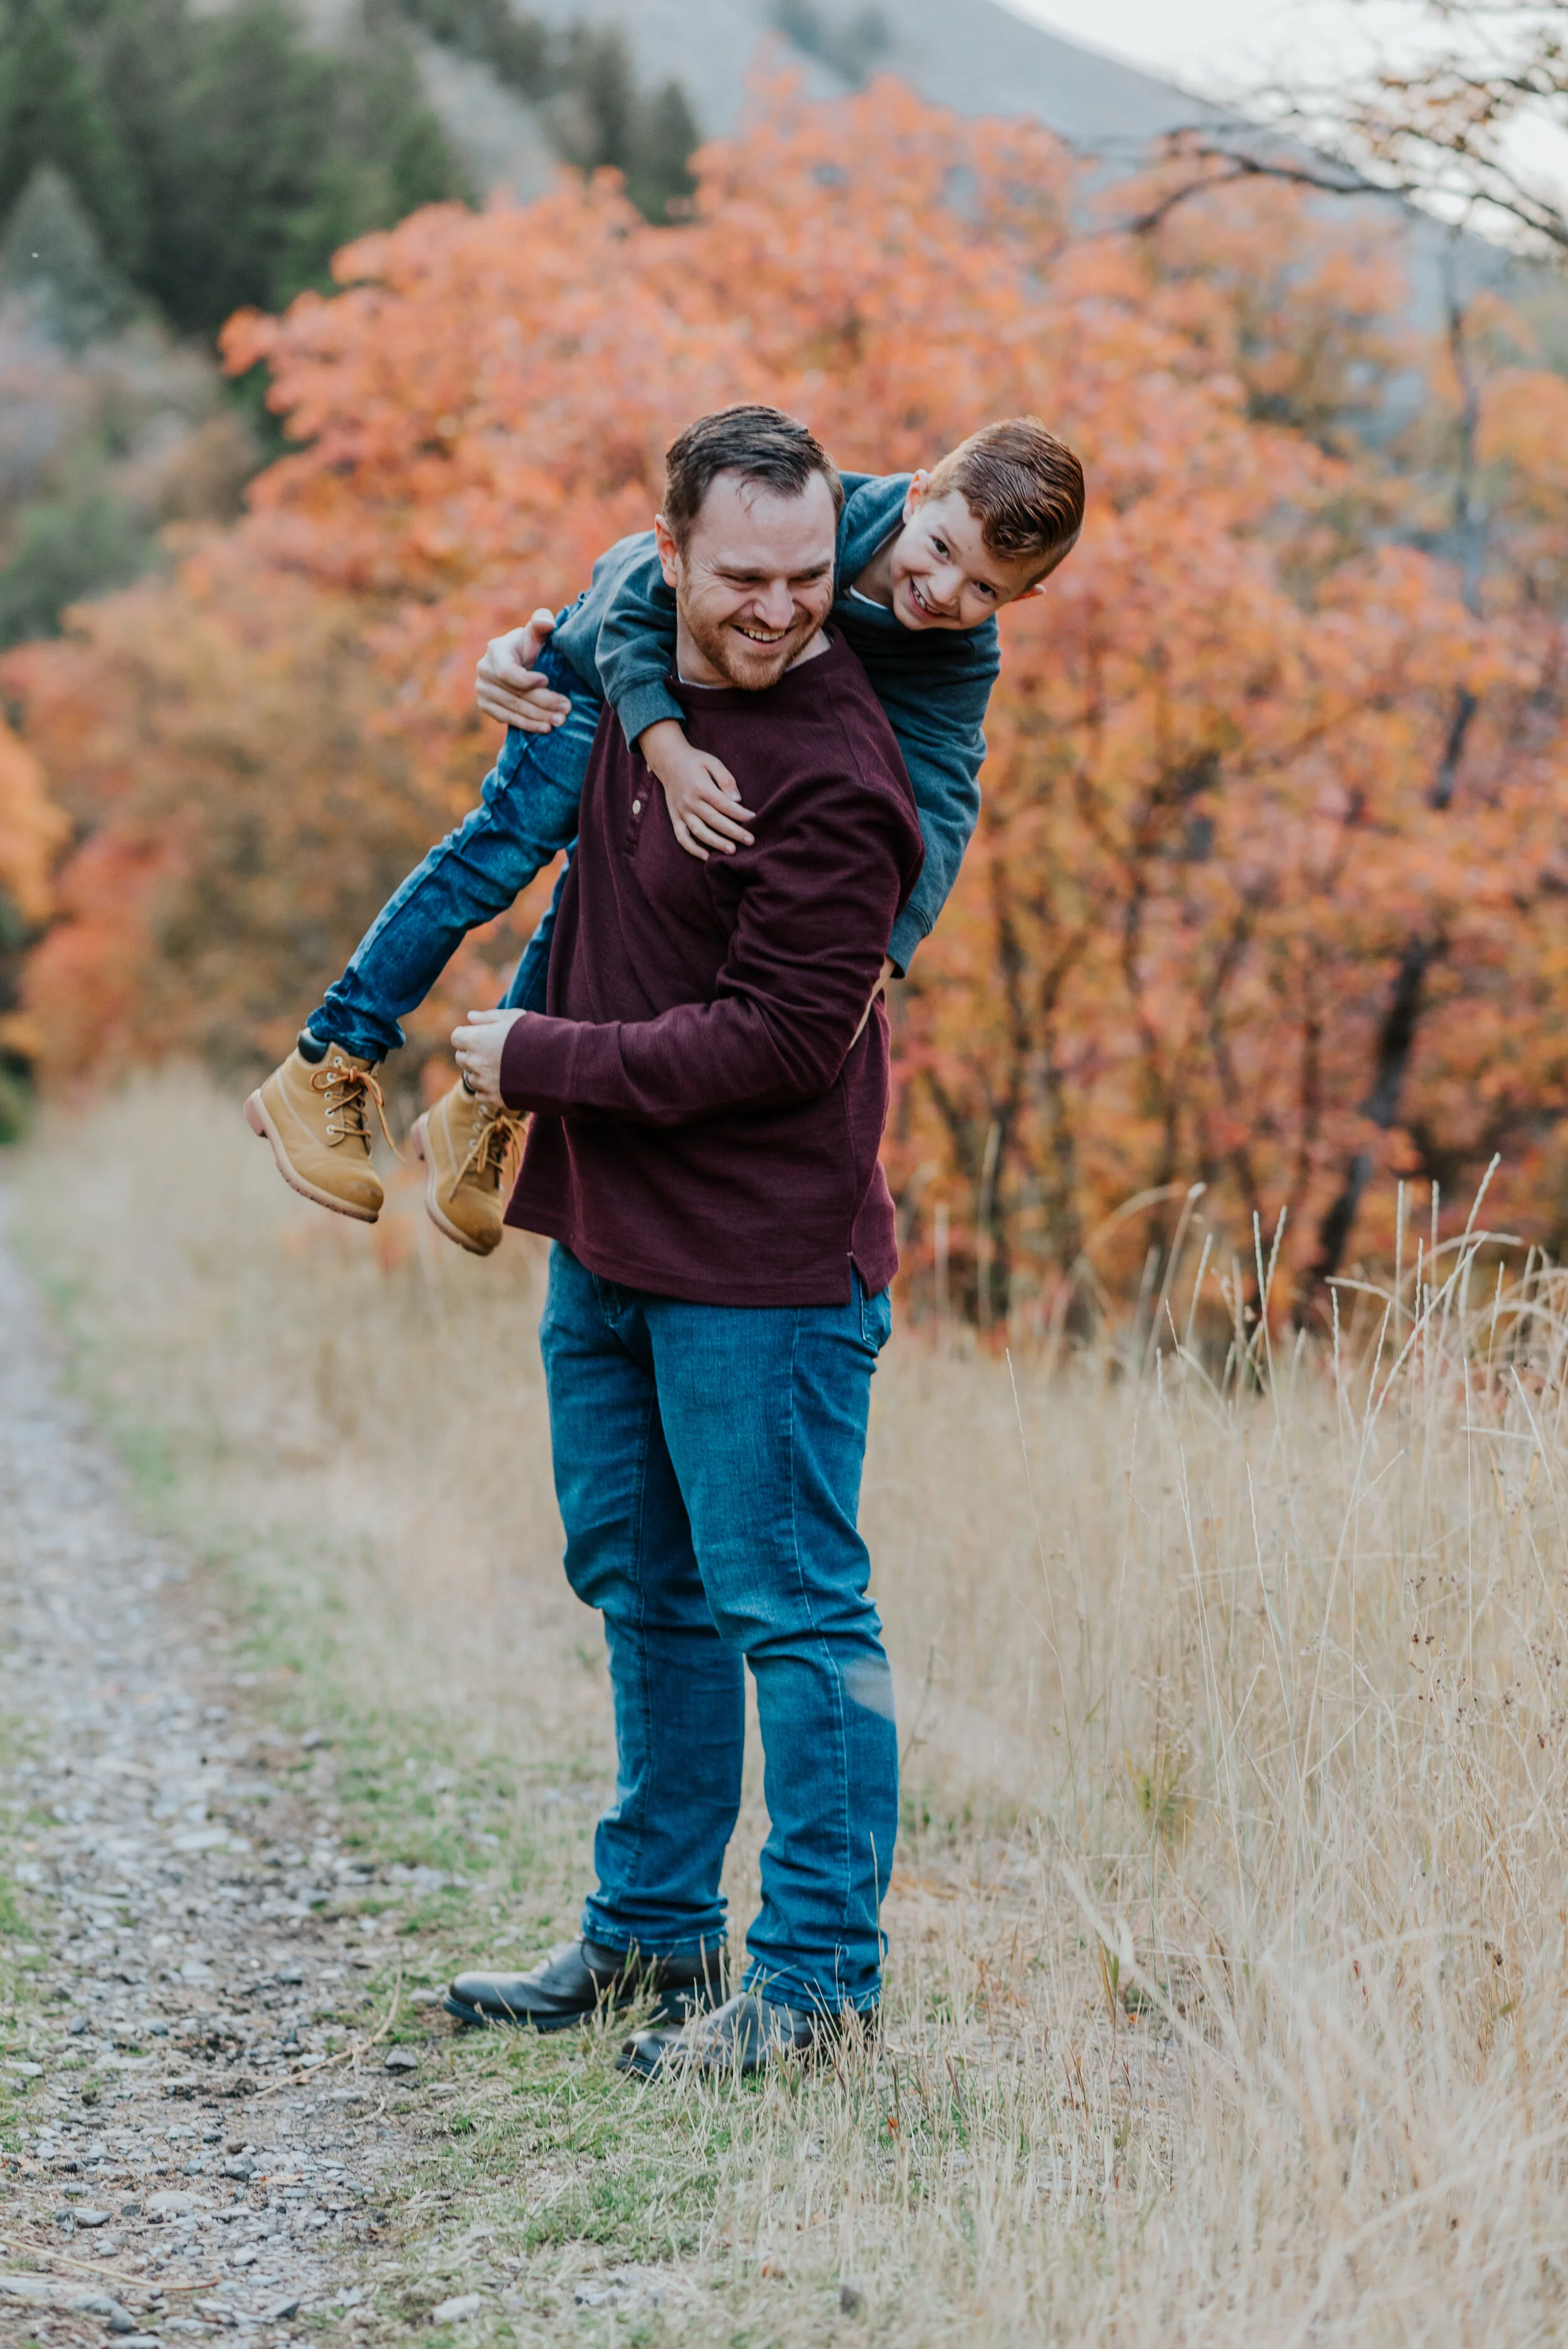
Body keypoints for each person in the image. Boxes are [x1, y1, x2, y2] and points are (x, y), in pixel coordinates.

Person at [440, 406, 923, 2077]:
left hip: (767, 1273)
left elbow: (779, 1043)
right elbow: (541, 702)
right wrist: (509, 658)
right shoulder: (631, 661)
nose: (778, 609)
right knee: (641, 1586)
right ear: (669, 559)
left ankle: (815, 1993)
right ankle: (651, 1934)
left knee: (792, 1612)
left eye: (806, 577)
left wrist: (532, 1060)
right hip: (615, 1247)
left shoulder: (839, 775)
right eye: (742, 576)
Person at [244, 414, 1085, 1251]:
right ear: (919, 493)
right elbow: (634, 593)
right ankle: (331, 1055)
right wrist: (668, 752)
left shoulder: (959, 655)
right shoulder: (818, 518)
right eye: (940, 551)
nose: (945, 593)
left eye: (986, 590)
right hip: (597, 677)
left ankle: (483, 1107)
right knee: (496, 856)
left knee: (601, 903)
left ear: (1024, 597)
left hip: (690, 709)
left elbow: (940, 791)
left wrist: (888, 946)